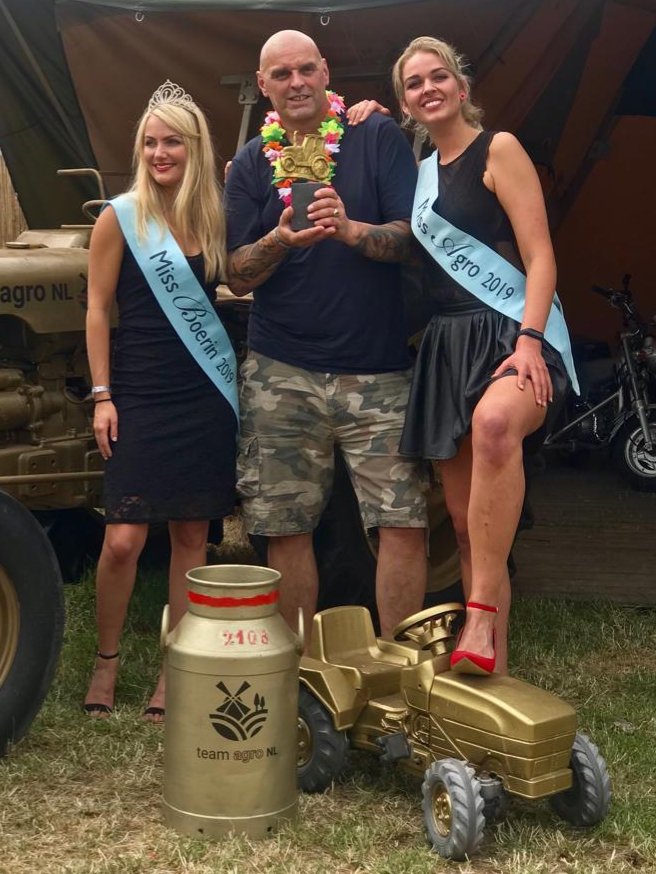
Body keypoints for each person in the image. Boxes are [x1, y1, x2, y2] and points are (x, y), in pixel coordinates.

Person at [224, 30, 428, 640]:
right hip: (281, 372)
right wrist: (280, 239)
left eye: (306, 69)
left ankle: (398, 667)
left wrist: (349, 229)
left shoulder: (376, 137)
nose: (296, 83)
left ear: (326, 71)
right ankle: (298, 666)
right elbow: (237, 275)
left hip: (378, 371)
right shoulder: (250, 163)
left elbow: (413, 242)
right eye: (281, 74)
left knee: (402, 522)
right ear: (263, 85)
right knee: (285, 527)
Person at [384, 37, 578, 674]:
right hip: (448, 343)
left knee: (496, 424)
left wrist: (529, 340)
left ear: (461, 87)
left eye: (438, 76)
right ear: (406, 103)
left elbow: (541, 257)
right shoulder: (421, 173)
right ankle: (491, 666)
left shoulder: (499, 149)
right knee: (468, 526)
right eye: (414, 83)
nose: (428, 89)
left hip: (511, 329)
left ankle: (480, 616)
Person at [83, 81, 238, 719]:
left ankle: (176, 668)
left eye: (172, 141)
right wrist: (102, 395)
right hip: (140, 391)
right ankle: (107, 659)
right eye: (149, 142)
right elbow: (97, 309)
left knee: (191, 534)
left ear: (194, 147)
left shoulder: (216, 217)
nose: (159, 153)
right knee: (123, 538)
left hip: (203, 395)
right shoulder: (120, 216)